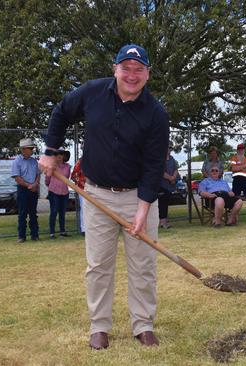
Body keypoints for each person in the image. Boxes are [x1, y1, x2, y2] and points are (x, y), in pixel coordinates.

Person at [39, 44, 169, 349]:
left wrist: (141, 211)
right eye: (126, 68)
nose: (132, 75)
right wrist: (50, 152)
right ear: (116, 69)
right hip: (96, 194)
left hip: (139, 197)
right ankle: (99, 326)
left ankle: (143, 325)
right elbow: (60, 114)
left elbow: (153, 166)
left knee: (143, 265)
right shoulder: (92, 92)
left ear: (148, 74)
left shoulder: (156, 114)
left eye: (139, 69)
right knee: (98, 265)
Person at [11, 138, 40, 243]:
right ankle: (21, 236)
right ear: (23, 149)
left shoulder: (34, 161)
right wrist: (29, 185)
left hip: (33, 189)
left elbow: (38, 175)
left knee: (33, 213)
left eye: (32, 148)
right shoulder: (16, 162)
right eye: (30, 148)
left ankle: (35, 235)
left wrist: (35, 184)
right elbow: (17, 178)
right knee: (22, 213)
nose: (32, 150)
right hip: (23, 189)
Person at [45, 150, 71, 239]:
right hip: (53, 192)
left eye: (61, 155)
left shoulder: (67, 166)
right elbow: (47, 178)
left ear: (64, 156)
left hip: (64, 192)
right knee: (54, 211)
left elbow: (67, 177)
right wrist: (51, 185)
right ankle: (52, 232)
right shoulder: (52, 166)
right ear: (55, 157)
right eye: (57, 155)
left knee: (62, 212)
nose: (59, 156)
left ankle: (62, 231)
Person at [229, 143, 246, 222]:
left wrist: (239, 168)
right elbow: (233, 169)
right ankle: (236, 218)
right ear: (237, 150)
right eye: (239, 149)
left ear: (244, 150)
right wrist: (244, 166)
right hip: (237, 180)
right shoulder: (234, 158)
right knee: (237, 199)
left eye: (242, 149)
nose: (241, 151)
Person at [158, 146, 178, 229]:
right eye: (167, 147)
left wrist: (174, 177)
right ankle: (163, 223)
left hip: (169, 186)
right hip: (160, 185)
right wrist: (170, 178)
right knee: (162, 203)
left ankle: (164, 221)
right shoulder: (160, 158)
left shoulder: (172, 159)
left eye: (170, 148)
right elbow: (160, 171)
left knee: (165, 202)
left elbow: (176, 169)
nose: (169, 149)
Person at [70, 155, 86, 236]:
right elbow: (73, 176)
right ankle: (84, 229)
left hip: (97, 189)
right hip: (83, 189)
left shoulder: (97, 159)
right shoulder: (81, 161)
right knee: (84, 209)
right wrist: (82, 182)